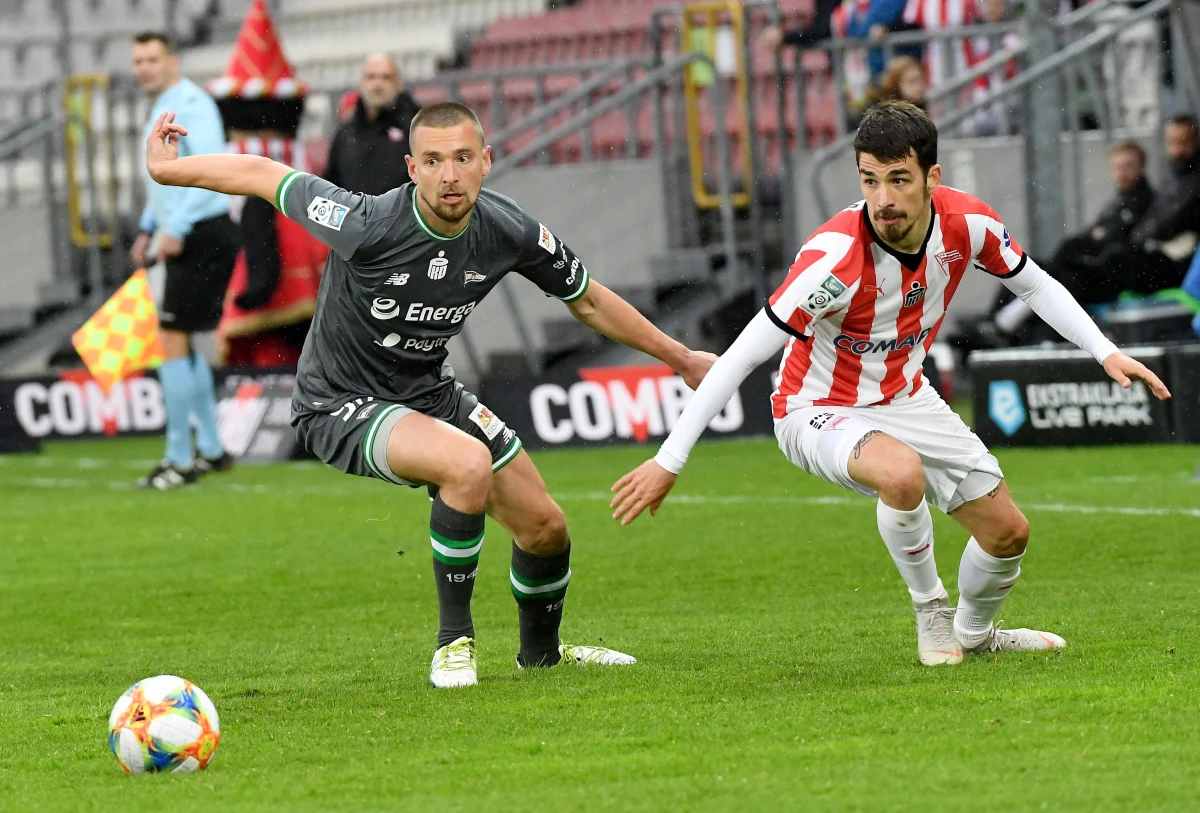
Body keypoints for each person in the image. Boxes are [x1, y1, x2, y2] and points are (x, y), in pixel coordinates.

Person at [144, 103, 717, 687]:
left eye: (463, 158)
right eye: (435, 161)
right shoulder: (363, 221)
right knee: (466, 464)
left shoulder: (509, 230)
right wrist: (171, 171)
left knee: (546, 528)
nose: (450, 175)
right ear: (411, 168)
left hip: (427, 393)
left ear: (486, 162)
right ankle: (453, 645)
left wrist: (683, 357)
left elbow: (589, 299)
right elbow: (266, 177)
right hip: (338, 402)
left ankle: (542, 657)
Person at [610, 101, 1171, 667]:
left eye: (898, 179)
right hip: (815, 405)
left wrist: (1104, 351)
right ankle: (931, 612)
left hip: (906, 394)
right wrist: (669, 458)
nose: (883, 198)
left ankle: (974, 633)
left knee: (1008, 534)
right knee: (899, 474)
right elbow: (736, 361)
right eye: (869, 180)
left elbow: (1035, 286)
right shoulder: (831, 260)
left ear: (932, 178)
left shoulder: (968, 225)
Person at [129, 31, 238, 489]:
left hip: (202, 231)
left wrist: (175, 227)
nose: (144, 69)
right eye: (138, 61)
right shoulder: (165, 105)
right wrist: (149, 225)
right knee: (181, 340)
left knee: (170, 339)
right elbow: (167, 176)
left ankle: (179, 458)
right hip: (186, 232)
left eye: (152, 59)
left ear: (172, 60)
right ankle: (210, 449)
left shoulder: (192, 103)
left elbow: (210, 168)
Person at [208, 0, 328, 367]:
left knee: (273, 354)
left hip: (266, 279)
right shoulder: (305, 175)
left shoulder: (229, 179)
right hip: (298, 282)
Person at [979, 140, 1156, 344]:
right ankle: (994, 320)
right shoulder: (1118, 202)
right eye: (1117, 166)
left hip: (1109, 277)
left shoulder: (1144, 201)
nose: (1122, 172)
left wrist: (1099, 238)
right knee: (1023, 265)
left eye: (1128, 166)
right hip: (1096, 269)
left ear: (1141, 167)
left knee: (1064, 267)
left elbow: (1116, 243)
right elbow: (1097, 235)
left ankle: (1008, 325)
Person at [323, 54, 422, 196]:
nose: (377, 84)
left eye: (386, 77)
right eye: (371, 77)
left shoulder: (416, 128)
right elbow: (331, 183)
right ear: (361, 82)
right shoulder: (346, 132)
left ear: (398, 83)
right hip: (355, 217)